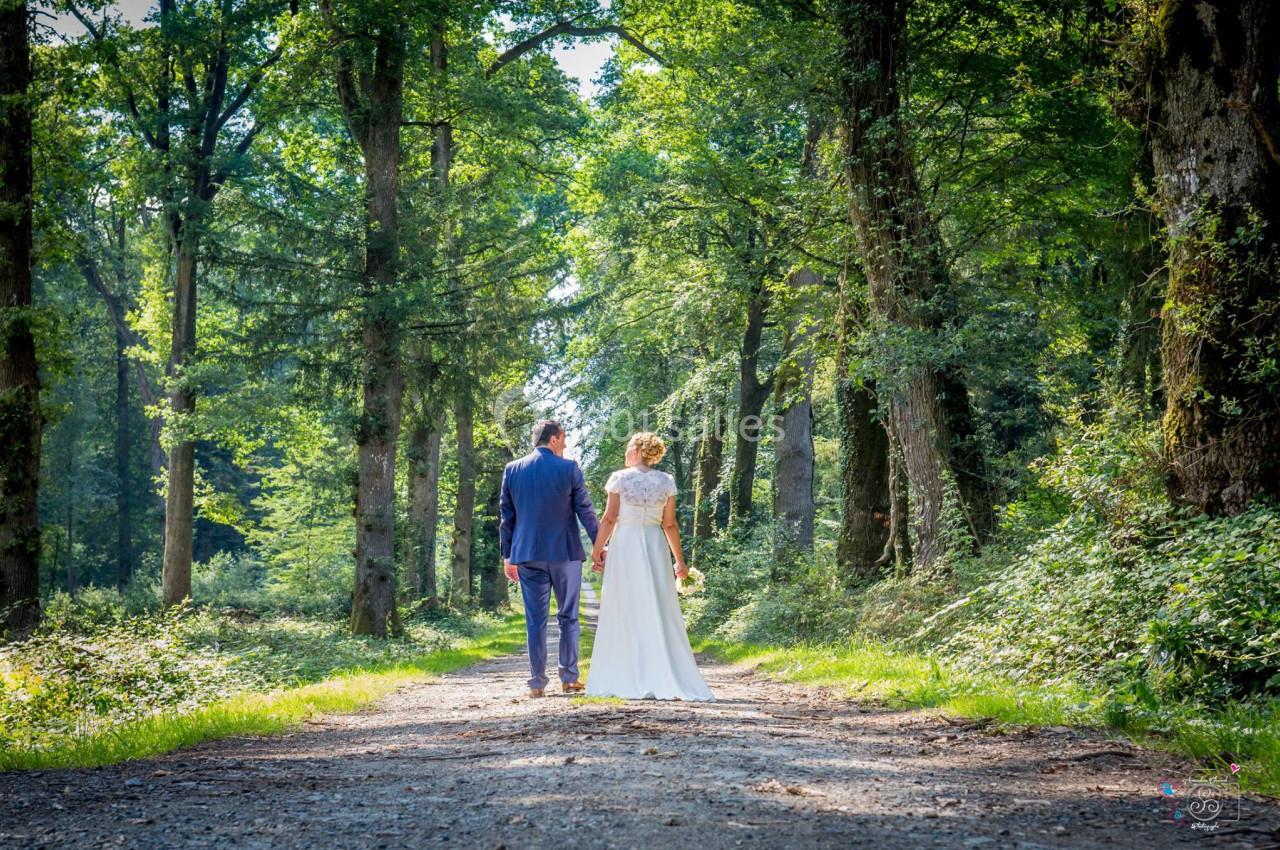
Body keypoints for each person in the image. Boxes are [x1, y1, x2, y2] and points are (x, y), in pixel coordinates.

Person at [586, 432, 714, 701]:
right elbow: (670, 525)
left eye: (629, 447)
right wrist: (680, 561)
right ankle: (663, 670)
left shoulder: (620, 478)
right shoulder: (666, 481)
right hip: (655, 544)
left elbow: (609, 519)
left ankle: (624, 673)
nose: (626, 452)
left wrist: (597, 551)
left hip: (626, 543)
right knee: (659, 604)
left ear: (637, 451)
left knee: (624, 604)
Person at [499, 419, 599, 698]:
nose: (566, 444)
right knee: (568, 617)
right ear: (553, 438)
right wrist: (601, 545)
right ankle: (569, 678)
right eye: (564, 438)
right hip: (564, 554)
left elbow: (507, 517)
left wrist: (508, 555)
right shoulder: (569, 468)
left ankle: (537, 683)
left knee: (535, 620)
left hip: (527, 554)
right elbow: (586, 512)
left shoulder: (513, 469)